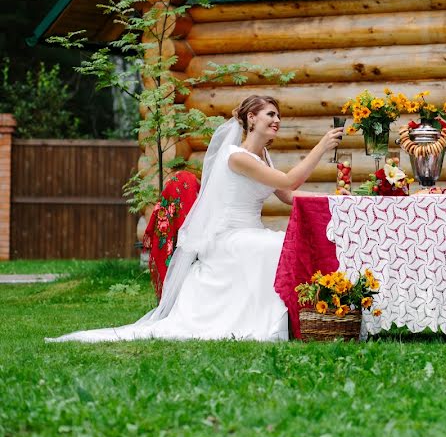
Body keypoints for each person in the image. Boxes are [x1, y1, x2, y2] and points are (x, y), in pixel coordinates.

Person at [48, 95, 344, 342]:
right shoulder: (236, 156)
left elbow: (287, 195)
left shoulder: (263, 156)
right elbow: (290, 181)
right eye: (270, 114)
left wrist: (332, 201)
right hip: (229, 237)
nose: (277, 120)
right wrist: (321, 147)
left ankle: (300, 320)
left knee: (282, 243)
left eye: (278, 115)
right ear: (251, 118)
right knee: (274, 248)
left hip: (251, 231)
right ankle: (280, 322)